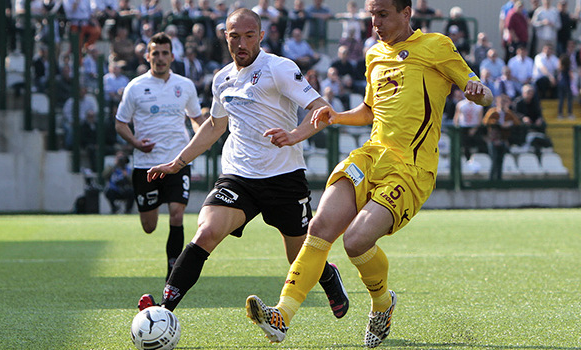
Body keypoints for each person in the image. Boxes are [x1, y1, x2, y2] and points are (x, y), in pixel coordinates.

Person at [245, 0, 493, 347]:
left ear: (406, 13)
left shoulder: (436, 46)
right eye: (371, 15)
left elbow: (481, 92)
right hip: (371, 156)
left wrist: (478, 92)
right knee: (319, 227)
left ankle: (382, 303)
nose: (374, 22)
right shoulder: (373, 54)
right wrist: (335, 116)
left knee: (356, 241)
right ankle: (281, 316)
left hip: (411, 169)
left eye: (383, 14)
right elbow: (369, 110)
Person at [138, 9, 350, 322]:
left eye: (249, 35)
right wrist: (177, 162)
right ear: (225, 37)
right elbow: (214, 126)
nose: (242, 42)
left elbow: (322, 109)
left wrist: (294, 135)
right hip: (238, 176)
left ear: (261, 36)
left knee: (298, 256)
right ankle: (162, 311)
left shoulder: (279, 68)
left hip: (283, 177)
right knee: (206, 232)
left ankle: (329, 277)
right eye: (234, 36)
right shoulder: (221, 78)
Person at [115, 32, 206, 279]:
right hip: (146, 164)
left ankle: (172, 277)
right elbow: (120, 123)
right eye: (155, 53)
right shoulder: (135, 87)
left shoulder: (184, 85)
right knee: (149, 226)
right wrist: (135, 142)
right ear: (148, 56)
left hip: (177, 162)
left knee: (177, 213)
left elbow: (197, 119)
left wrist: (200, 137)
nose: (160, 58)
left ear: (172, 57)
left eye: (165, 53)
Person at [483, 94, 520, 181]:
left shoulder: (508, 113)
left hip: (503, 139)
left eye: (505, 102)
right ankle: (491, 179)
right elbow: (485, 122)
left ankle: (499, 179)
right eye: (501, 102)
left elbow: (517, 122)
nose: (503, 104)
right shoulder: (493, 112)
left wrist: (509, 123)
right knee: (494, 159)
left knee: (500, 160)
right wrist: (498, 123)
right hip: (493, 139)